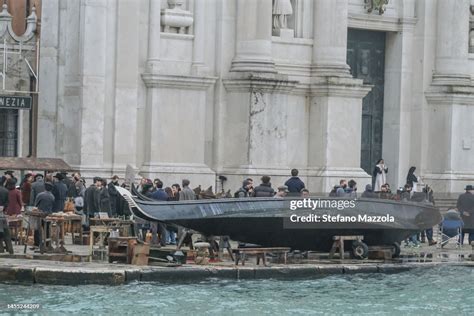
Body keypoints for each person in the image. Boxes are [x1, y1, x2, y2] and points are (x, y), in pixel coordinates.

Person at [33, 182, 55, 249]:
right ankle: (47, 243)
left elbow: (35, 205)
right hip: (48, 215)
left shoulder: (40, 195)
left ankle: (37, 244)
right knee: (47, 229)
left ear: (44, 188)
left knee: (37, 229)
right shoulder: (52, 196)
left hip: (40, 214)